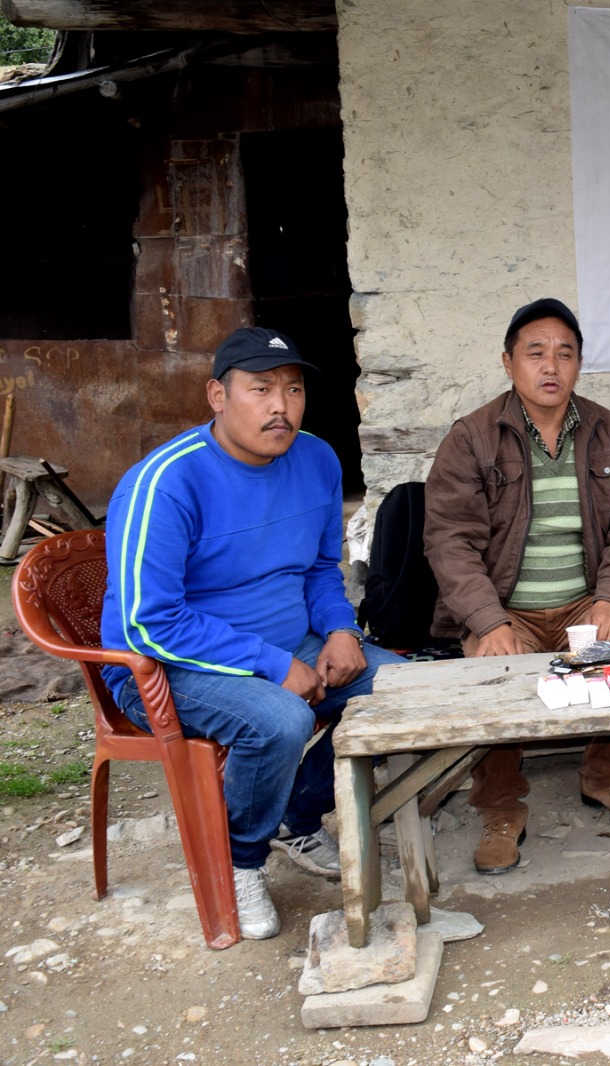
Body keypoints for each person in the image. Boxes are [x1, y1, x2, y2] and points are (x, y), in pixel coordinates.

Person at [100, 327, 406, 940]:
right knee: (280, 720)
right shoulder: (165, 482)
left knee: (407, 690)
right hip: (166, 665)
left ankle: (294, 814)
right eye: (260, 389)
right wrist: (272, 664)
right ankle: (241, 861)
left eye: (293, 390)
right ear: (218, 396)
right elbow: (148, 621)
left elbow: (319, 569)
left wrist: (341, 630)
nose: (280, 406)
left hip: (291, 642)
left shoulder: (316, 460)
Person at [425, 298, 610, 874]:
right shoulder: (472, 438)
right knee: (493, 679)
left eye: (565, 353)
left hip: (586, 603)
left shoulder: (607, 431)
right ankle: (500, 808)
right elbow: (450, 542)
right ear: (509, 362)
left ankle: (606, 777)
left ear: (579, 364)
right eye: (535, 353)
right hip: (509, 609)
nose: (551, 366)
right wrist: (488, 621)